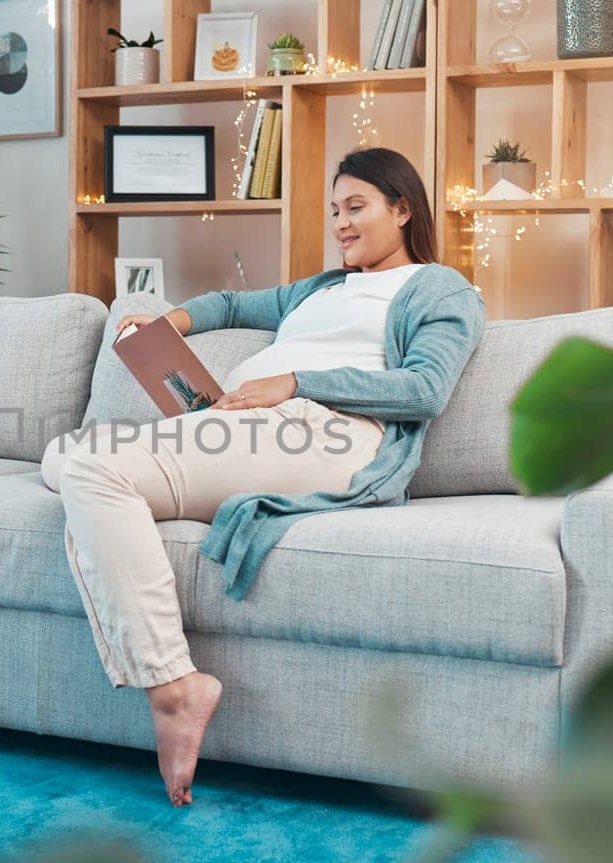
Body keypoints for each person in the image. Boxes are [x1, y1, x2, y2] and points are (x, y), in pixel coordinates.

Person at [40, 147, 486, 807]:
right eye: (335, 209)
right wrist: (166, 322)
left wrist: (292, 381)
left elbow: (423, 388)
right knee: (65, 452)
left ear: (402, 208)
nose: (341, 222)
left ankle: (173, 685)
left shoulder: (440, 287)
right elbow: (228, 303)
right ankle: (152, 523)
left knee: (90, 467)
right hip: (247, 425)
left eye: (357, 206)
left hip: (327, 432)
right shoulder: (320, 288)